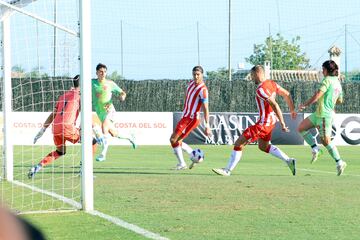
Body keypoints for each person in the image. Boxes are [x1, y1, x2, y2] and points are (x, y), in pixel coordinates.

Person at [212, 65, 297, 177]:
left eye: (252, 75)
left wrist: (282, 122)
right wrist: (292, 110)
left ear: (257, 73)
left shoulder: (261, 89)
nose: (251, 78)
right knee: (263, 146)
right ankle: (288, 160)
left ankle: (227, 170)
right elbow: (287, 94)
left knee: (239, 143)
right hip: (270, 123)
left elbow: (274, 105)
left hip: (264, 124)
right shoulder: (272, 83)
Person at [29, 75, 99, 178]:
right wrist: (96, 130)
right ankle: (84, 171)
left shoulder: (63, 96)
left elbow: (54, 114)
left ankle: (37, 167)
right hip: (67, 127)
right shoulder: (81, 96)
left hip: (56, 127)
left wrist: (43, 130)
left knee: (60, 152)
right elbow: (86, 116)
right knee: (93, 142)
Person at [298, 60, 346, 176]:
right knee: (301, 128)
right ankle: (315, 149)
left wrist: (305, 104)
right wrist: (331, 100)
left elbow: (318, 94)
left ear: (327, 70)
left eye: (323, 69)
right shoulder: (338, 83)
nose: (321, 71)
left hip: (325, 115)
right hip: (318, 114)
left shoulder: (327, 80)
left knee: (326, 141)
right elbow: (340, 100)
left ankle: (340, 162)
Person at [92, 63, 136, 162]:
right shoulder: (91, 83)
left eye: (104, 72)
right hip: (100, 113)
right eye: (101, 72)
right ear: (97, 73)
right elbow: (81, 87)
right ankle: (130, 137)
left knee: (104, 127)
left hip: (109, 110)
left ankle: (103, 154)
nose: (103, 74)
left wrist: (122, 96)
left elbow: (122, 92)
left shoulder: (110, 83)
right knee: (114, 133)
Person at [169, 65, 211, 170]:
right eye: (194, 74)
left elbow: (206, 108)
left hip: (191, 119)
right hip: (186, 117)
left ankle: (183, 163)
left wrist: (207, 125)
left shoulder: (203, 90)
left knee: (174, 139)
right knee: (176, 140)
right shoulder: (191, 83)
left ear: (202, 75)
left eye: (198, 74)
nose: (196, 77)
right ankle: (195, 156)